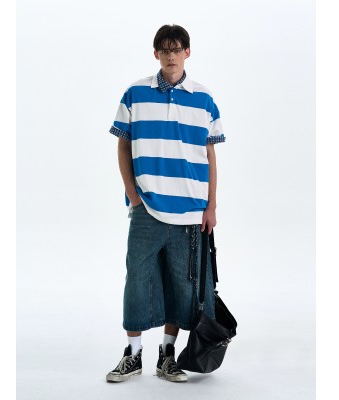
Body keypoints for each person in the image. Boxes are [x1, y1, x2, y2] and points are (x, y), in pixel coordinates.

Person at [106, 24, 226, 383]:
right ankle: (132, 354)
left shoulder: (204, 99)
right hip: (146, 207)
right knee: (137, 280)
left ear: (187, 52)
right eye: (165, 50)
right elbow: (123, 145)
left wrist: (211, 206)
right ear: (155, 53)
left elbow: (210, 155)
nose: (171, 56)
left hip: (191, 210)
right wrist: (133, 194)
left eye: (177, 49)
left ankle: (167, 355)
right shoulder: (135, 94)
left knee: (181, 285)